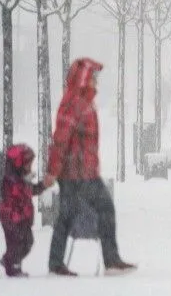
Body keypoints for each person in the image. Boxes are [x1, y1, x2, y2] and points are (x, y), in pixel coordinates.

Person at [43, 57, 137, 276]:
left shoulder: (81, 102)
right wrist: (52, 170)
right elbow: (61, 139)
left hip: (80, 172)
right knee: (104, 208)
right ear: (84, 79)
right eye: (93, 77)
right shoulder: (74, 103)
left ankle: (56, 264)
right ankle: (110, 261)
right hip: (78, 173)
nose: (96, 81)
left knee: (66, 216)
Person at [0, 143, 49, 277]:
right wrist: (37, 184)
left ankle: (9, 260)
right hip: (12, 218)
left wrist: (41, 185)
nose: (29, 167)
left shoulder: (20, 177)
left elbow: (29, 190)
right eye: (27, 164)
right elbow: (23, 192)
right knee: (17, 243)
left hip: (22, 218)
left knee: (27, 242)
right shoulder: (11, 179)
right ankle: (12, 266)